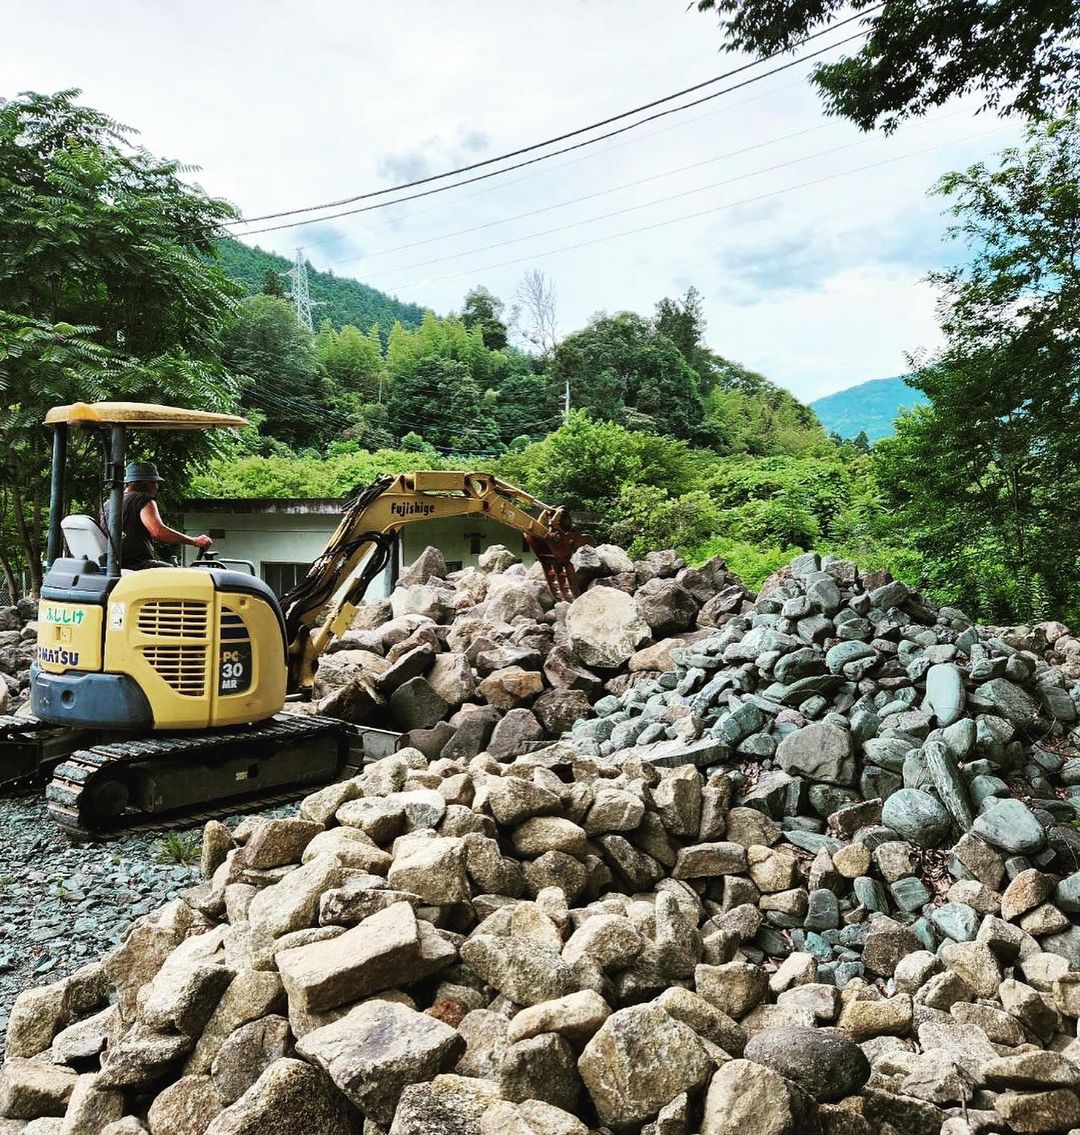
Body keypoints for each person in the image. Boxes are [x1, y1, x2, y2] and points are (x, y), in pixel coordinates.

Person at [105, 461, 213, 570]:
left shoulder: (108, 503)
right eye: (156, 483)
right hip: (137, 565)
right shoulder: (143, 499)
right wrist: (195, 541)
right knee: (183, 577)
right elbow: (158, 531)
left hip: (113, 566)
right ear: (148, 483)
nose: (157, 487)